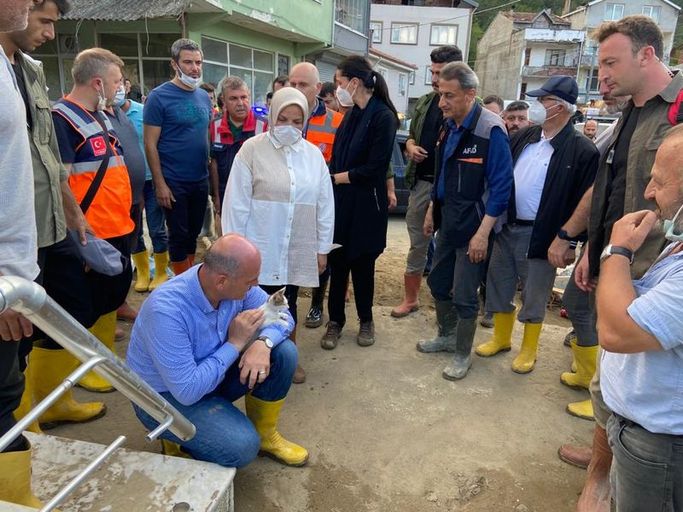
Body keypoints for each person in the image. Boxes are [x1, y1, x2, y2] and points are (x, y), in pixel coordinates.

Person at [551, 16, 682, 512]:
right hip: (617, 262)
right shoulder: (628, 113)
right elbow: (608, 188)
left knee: (638, 381)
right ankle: (603, 465)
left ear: (646, 55)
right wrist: (590, 246)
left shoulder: (679, 110)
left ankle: (609, 474)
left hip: (657, 274)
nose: (601, 74)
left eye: (610, 62)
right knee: (611, 377)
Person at [1, 0, 110, 431]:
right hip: (11, 244)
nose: (49, 32)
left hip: (46, 226)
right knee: (11, 346)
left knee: (64, 312)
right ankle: (21, 422)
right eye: (43, 19)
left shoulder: (28, 70)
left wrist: (73, 211)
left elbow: (46, 154)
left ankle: (50, 401)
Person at [127, 234, 308, 468]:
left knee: (284, 353)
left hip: (207, 377)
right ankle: (175, 440)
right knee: (242, 447)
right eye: (250, 281)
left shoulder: (227, 285)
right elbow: (187, 391)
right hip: (166, 397)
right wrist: (235, 343)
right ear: (222, 281)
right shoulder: (166, 311)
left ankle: (264, 435)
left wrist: (264, 343)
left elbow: (282, 315)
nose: (256, 286)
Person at [474, 76, 599, 375]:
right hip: (507, 226)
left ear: (561, 107)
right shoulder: (527, 136)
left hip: (542, 235)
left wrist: (570, 241)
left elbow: (586, 200)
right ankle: (501, 338)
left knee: (535, 293)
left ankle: (529, 349)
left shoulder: (581, 149)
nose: (538, 105)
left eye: (544, 100)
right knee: (499, 284)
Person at [223, 87, 334, 384]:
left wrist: (322, 248)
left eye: (297, 121)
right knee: (254, 303)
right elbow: (235, 204)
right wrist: (233, 250)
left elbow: (325, 205)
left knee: (288, 301)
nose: (289, 127)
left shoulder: (313, 156)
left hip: (296, 244)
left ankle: (287, 358)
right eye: (283, 119)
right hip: (260, 244)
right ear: (272, 116)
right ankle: (248, 357)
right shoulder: (251, 150)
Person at [597, 125, 683, 510]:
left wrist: (617, 251)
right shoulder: (677, 242)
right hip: (640, 432)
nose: (648, 192)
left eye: (659, 182)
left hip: (659, 445)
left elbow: (617, 332)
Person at [416, 62, 513, 381]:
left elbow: (501, 187)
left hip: (474, 225)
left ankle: (462, 353)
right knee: (438, 282)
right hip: (448, 220)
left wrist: (483, 234)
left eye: (449, 95)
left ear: (470, 94)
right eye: (440, 94)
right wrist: (432, 209)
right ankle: (446, 336)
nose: (442, 102)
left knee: (464, 294)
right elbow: (442, 173)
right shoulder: (449, 126)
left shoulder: (491, 130)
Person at [51, 47, 136, 393]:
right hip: (90, 234)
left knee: (108, 300)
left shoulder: (99, 115)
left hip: (117, 226)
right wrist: (76, 227)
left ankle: (100, 362)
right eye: (116, 82)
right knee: (80, 308)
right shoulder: (62, 119)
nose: (121, 88)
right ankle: (71, 375)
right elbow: (58, 181)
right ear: (98, 83)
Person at [319, 55, 399, 348]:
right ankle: (335, 321)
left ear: (354, 82)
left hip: (367, 205)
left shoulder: (383, 116)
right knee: (338, 264)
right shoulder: (351, 115)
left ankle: (366, 320)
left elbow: (375, 168)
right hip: (342, 203)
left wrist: (337, 179)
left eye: (339, 82)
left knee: (363, 266)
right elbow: (338, 156)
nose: (337, 88)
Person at [0, 0, 44, 507]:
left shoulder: (12, 66)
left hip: (15, 268)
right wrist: (6, 279)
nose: (31, 5)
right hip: (5, 279)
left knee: (7, 386)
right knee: (2, 397)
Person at [391, 45, 462, 319]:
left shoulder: (471, 105)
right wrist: (410, 146)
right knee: (418, 245)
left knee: (452, 246)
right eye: (432, 72)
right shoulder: (424, 102)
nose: (434, 79)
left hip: (454, 189)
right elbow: (410, 135)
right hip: (422, 183)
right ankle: (411, 300)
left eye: (440, 73)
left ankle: (450, 303)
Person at [143, 38, 213, 275]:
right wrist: (160, 184)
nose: (194, 68)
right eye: (188, 62)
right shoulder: (158, 97)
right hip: (173, 181)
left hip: (199, 178)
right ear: (174, 64)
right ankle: (182, 282)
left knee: (194, 233)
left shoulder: (203, 97)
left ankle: (188, 276)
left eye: (198, 62)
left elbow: (204, 134)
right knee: (179, 234)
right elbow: (150, 144)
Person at [288, 63, 345, 343]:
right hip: (290, 201)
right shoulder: (282, 116)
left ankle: (316, 304)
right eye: (293, 84)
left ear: (318, 88)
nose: (297, 89)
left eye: (303, 84)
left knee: (322, 256)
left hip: (323, 199)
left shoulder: (337, 122)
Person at [118, 80, 169, 293]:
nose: (117, 89)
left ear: (127, 86)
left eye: (120, 83)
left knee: (157, 228)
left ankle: (161, 272)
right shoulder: (107, 115)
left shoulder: (143, 112)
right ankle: (142, 270)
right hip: (127, 184)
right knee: (134, 230)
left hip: (151, 180)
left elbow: (156, 142)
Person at [210, 76, 266, 212]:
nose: (240, 103)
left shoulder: (264, 126)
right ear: (224, 101)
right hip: (225, 194)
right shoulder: (214, 126)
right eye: (233, 98)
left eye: (244, 97)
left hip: (256, 196)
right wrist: (216, 196)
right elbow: (214, 163)